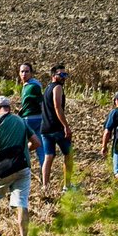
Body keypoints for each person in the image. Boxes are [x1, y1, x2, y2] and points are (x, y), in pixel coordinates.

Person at [0, 95, 40, 236]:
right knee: (22, 203)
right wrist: (25, 150)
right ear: (9, 108)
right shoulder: (22, 121)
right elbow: (36, 143)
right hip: (23, 167)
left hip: (4, 167)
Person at [39, 64, 73, 194]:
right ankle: (67, 186)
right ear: (54, 76)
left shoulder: (47, 88)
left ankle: (45, 187)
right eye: (62, 75)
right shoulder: (57, 87)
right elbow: (57, 107)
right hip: (56, 128)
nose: (64, 77)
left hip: (45, 128)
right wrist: (66, 126)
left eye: (65, 74)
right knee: (68, 154)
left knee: (48, 157)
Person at [18, 63, 45, 173]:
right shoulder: (27, 85)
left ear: (31, 73)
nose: (24, 74)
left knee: (22, 144)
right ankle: (44, 172)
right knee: (39, 146)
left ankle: (20, 165)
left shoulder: (33, 87)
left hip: (30, 119)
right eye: (22, 71)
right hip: (34, 118)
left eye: (27, 71)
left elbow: (41, 103)